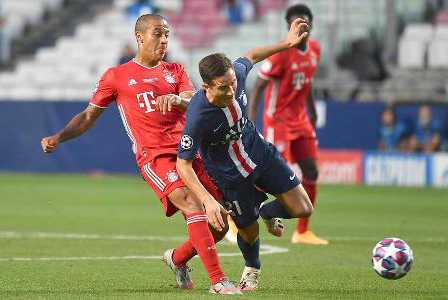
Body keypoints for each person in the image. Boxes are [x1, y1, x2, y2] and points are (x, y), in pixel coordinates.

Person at [40, 14, 241, 295]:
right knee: (194, 204)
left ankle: (177, 259)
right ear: (140, 36)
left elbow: (196, 105)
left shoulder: (176, 70)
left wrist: (177, 100)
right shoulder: (116, 76)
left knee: (217, 224)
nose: (164, 40)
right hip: (155, 157)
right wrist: (58, 137)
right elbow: (88, 116)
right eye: (158, 33)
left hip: (188, 152)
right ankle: (219, 281)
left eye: (167, 35)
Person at [176, 18, 313, 291]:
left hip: (260, 153)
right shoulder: (197, 117)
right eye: (223, 87)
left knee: (303, 208)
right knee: (249, 232)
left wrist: (286, 44)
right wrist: (208, 201)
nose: (231, 90)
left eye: (233, 83)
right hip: (231, 178)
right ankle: (252, 269)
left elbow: (250, 55)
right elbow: (183, 164)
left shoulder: (235, 74)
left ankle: (266, 210)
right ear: (206, 88)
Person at [247, 4, 327, 245]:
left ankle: (302, 232)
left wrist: (312, 110)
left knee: (311, 170)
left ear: (310, 24)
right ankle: (241, 215)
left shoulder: (315, 49)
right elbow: (260, 85)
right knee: (269, 175)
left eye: (303, 22)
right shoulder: (281, 54)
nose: (300, 26)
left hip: (301, 119)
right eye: (295, 23)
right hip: (279, 120)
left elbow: (308, 80)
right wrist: (250, 119)